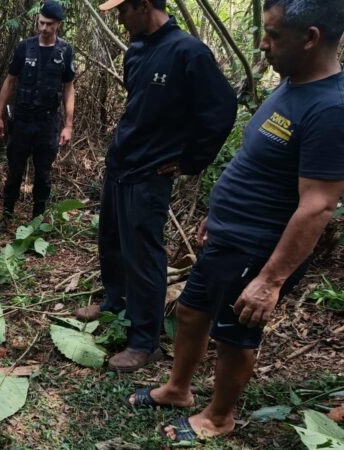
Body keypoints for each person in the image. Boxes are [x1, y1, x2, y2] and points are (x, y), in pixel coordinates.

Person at [127, 0, 344, 442]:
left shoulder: (331, 109)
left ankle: (219, 417)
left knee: (235, 337)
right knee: (190, 311)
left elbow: (319, 205)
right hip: (230, 234)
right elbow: (256, 163)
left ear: (311, 38)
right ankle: (178, 389)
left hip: (259, 247)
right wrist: (217, 214)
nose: (263, 44)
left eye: (273, 35)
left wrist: (270, 279)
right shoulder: (292, 84)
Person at [74, 0, 237, 371]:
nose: (118, 17)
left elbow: (221, 108)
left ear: (144, 5)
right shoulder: (137, 48)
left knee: (144, 255)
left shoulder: (188, 52)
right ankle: (114, 300)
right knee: (111, 239)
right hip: (120, 164)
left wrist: (190, 160)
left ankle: (144, 341)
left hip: (150, 173)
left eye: (122, 10)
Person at [0, 0, 76, 229]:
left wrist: (68, 125)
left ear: (58, 24)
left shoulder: (65, 51)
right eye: (41, 22)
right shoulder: (24, 47)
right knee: (14, 171)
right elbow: (10, 81)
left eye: (49, 24)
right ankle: (7, 215)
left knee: (43, 174)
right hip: (21, 121)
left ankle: (37, 221)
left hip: (48, 123)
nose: (44, 28)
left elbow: (69, 87)